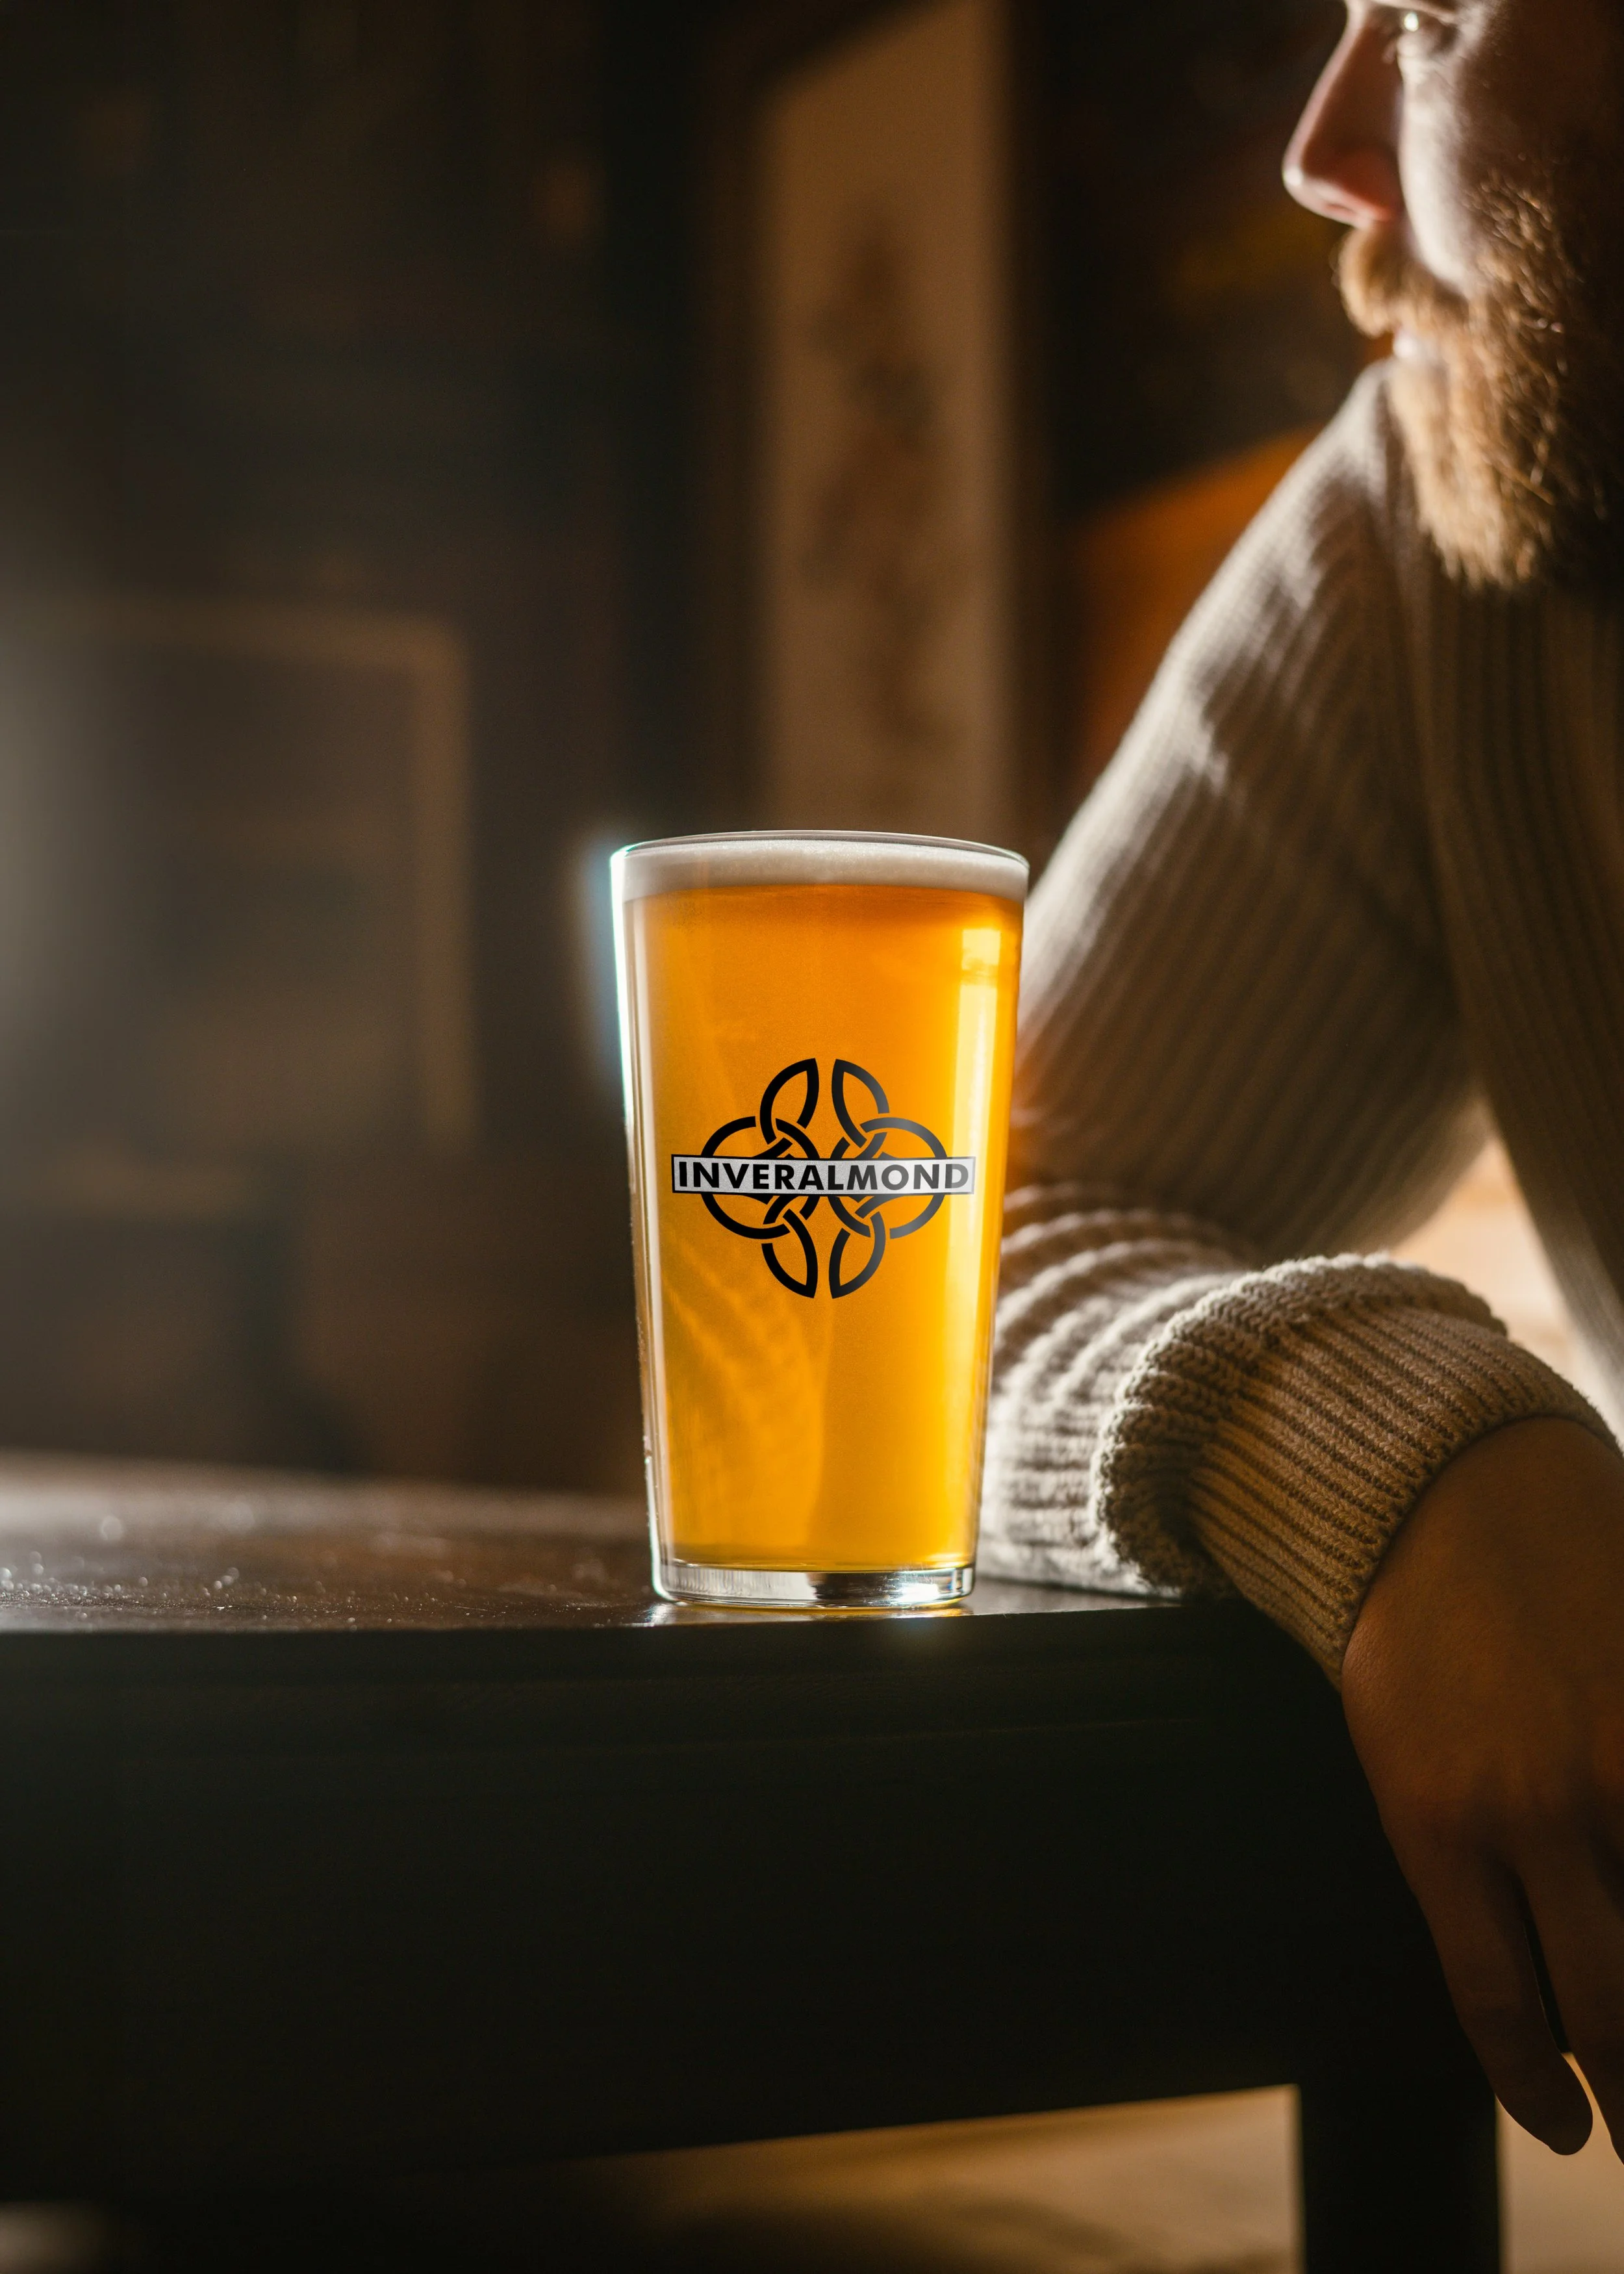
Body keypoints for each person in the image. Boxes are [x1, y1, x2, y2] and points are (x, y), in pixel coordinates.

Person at [981, 0, 1624, 2163]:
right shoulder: (1440, 507)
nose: (1323, 151)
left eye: (1433, 18)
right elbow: (953, 1226)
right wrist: (1406, 1447)